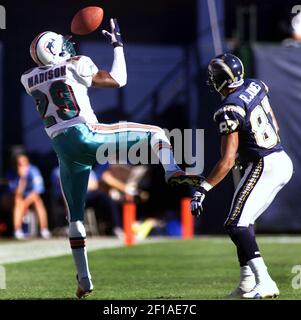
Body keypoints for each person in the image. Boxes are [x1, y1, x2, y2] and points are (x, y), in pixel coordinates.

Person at [20, 18, 201, 298]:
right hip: (87, 133)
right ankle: (171, 170)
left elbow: (49, 72)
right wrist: (117, 45)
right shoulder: (76, 63)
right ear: (56, 50)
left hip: (63, 148)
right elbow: (120, 79)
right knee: (156, 133)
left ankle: (84, 280)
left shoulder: (28, 79)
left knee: (75, 219)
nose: (68, 43)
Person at [190, 53, 293, 299]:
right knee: (244, 222)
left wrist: (202, 189)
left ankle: (265, 281)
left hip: (263, 164)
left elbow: (227, 160)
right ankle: (247, 282)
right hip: (280, 158)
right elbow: (275, 126)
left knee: (235, 224)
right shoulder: (256, 85)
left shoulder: (228, 109)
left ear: (220, 80)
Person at [7, 153, 51, 239]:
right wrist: (22, 178)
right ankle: (17, 230)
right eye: (19, 164)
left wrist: (24, 204)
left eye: (23, 163)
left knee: (38, 201)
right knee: (17, 201)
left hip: (31, 198)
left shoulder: (33, 170)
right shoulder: (12, 173)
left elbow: (37, 191)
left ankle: (44, 229)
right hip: (19, 199)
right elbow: (16, 193)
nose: (21, 166)